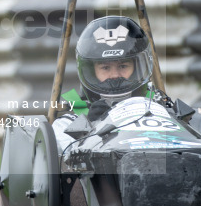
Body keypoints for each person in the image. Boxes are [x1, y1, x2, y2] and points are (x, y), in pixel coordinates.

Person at [53, 15, 162, 151]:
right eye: (105, 68)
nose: (115, 75)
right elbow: (67, 163)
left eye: (123, 66)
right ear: (91, 72)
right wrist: (94, 127)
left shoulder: (163, 110)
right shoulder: (66, 127)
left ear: (138, 68)